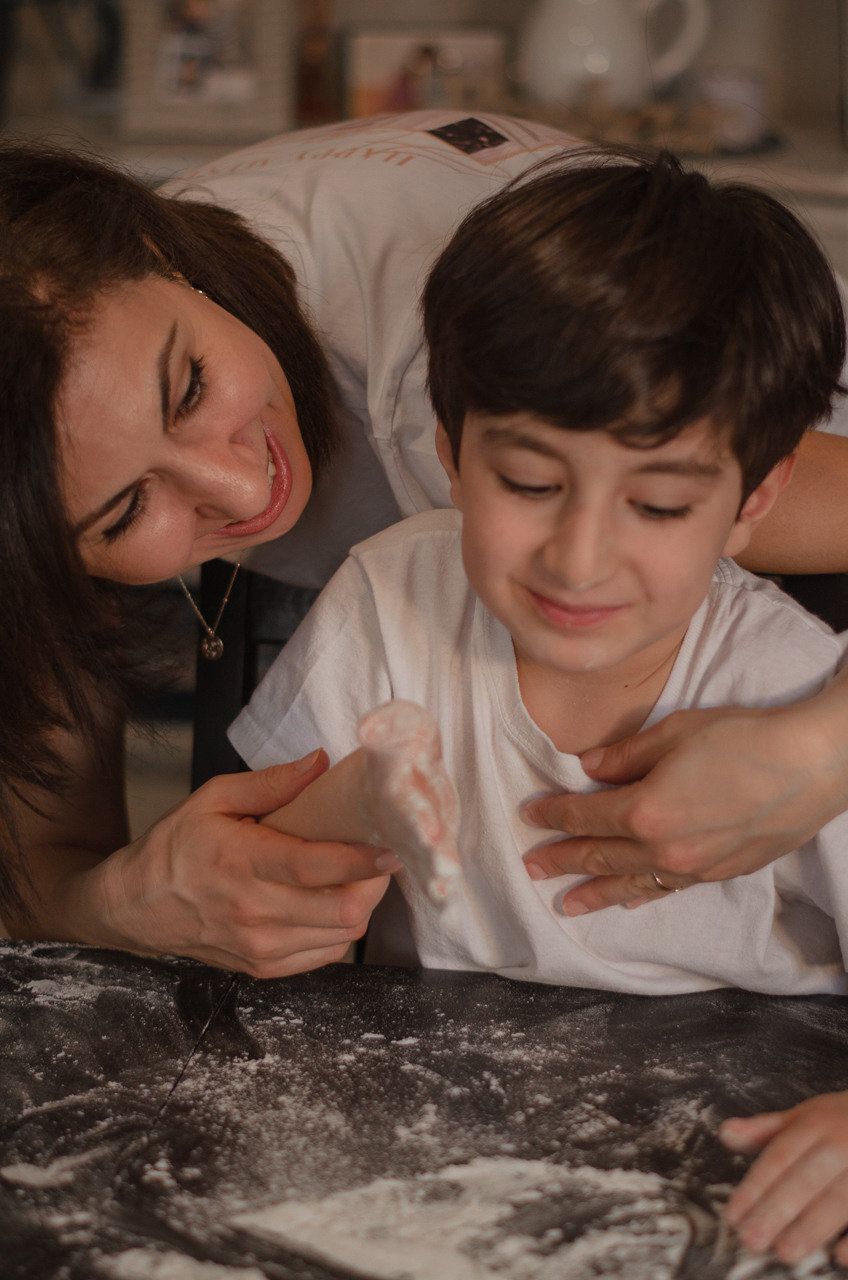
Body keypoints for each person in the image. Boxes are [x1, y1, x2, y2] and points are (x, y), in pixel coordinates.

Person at [4, 110, 848, 982]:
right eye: (123, 513)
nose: (245, 493)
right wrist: (130, 901)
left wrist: (825, 749)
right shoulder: (55, 412)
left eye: (191, 390)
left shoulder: (521, 399)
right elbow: (45, 868)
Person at [227, 149, 848, 1265]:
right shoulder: (386, 599)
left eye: (658, 502)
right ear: (452, 453)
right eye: (527, 483)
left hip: (741, 1142)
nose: (578, 554)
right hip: (436, 1134)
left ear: (750, 501)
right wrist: (360, 809)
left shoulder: (791, 685)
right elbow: (262, 887)